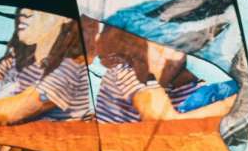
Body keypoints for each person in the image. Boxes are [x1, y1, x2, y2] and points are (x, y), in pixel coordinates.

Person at [0, 8, 91, 126]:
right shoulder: (20, 54)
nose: (25, 12)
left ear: (65, 19)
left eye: (38, 9)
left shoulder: (72, 65)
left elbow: (19, 109)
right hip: (11, 117)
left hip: (45, 137)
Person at [84, 20, 238, 124]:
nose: (174, 53)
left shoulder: (175, 79)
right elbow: (167, 123)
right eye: (161, 46)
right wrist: (237, 102)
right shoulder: (124, 75)